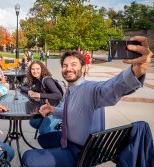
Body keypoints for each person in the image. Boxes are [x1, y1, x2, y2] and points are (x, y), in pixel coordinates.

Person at [22, 36, 153, 167]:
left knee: (28, 156)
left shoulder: (89, 89)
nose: (68, 69)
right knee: (43, 139)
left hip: (81, 153)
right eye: (65, 65)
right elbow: (71, 113)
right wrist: (53, 110)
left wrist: (136, 71)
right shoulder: (71, 88)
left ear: (84, 68)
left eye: (74, 65)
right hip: (68, 140)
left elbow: (112, 87)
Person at [21, 60, 63, 135]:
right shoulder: (35, 79)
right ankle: (52, 131)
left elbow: (58, 95)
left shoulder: (47, 80)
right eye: (33, 69)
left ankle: (59, 128)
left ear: (42, 69)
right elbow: (22, 87)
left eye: (37, 69)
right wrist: (29, 91)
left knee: (43, 131)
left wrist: (39, 95)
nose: (35, 71)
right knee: (33, 122)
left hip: (56, 107)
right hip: (45, 107)